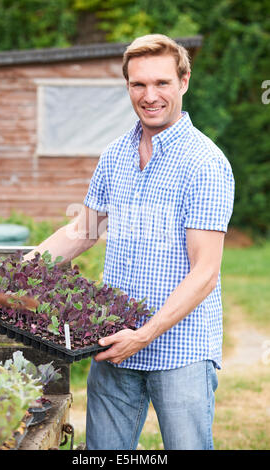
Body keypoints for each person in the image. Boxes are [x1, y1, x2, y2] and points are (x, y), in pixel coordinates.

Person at [24, 34, 234, 450]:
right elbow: (80, 232)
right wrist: (12, 274)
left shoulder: (205, 163)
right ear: (127, 87)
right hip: (113, 343)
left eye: (162, 83)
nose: (150, 95)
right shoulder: (116, 154)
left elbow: (205, 273)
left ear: (184, 82)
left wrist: (144, 334)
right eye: (138, 84)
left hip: (181, 349)